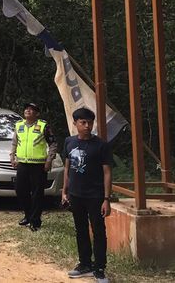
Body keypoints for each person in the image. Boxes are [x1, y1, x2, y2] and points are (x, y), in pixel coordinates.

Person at [63, 107, 113, 283]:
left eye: (90, 122)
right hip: (76, 195)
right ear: (75, 123)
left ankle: (99, 268)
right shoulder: (69, 142)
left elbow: (107, 172)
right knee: (80, 230)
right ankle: (85, 264)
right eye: (83, 122)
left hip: (95, 196)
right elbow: (67, 169)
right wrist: (64, 191)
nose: (87, 126)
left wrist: (106, 199)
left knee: (98, 231)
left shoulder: (101, 146)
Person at [10, 102, 57, 231]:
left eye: (32, 110)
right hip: (23, 164)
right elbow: (14, 142)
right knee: (20, 190)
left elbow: (53, 144)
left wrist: (49, 160)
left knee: (37, 193)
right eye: (26, 109)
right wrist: (12, 156)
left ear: (37, 113)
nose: (28, 111)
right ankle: (28, 215)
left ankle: (35, 221)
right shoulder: (19, 125)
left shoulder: (43, 126)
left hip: (38, 165)